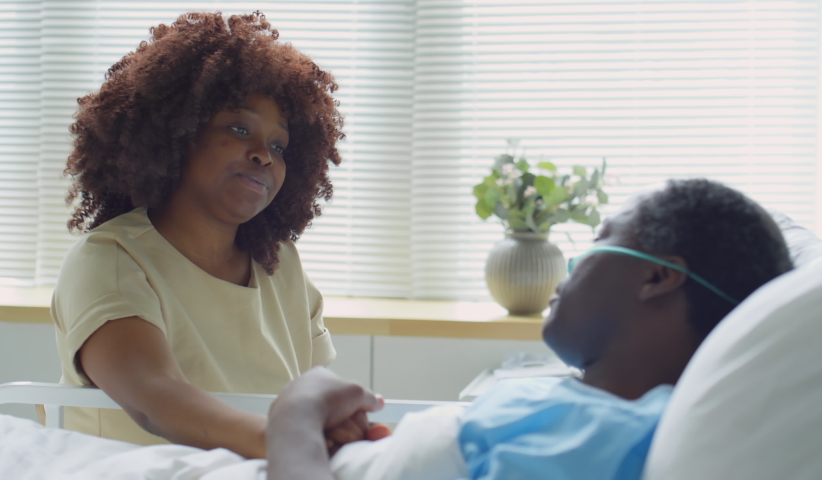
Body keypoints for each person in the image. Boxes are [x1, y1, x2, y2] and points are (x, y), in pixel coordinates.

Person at [264, 178, 795, 480]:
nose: (569, 265)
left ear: (656, 276)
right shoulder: (586, 418)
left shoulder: (601, 437)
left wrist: (297, 411)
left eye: (600, 239)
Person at [51, 11, 364, 458]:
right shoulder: (111, 257)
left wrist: (342, 432)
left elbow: (314, 392)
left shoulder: (282, 267)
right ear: (176, 134)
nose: (263, 156)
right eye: (239, 129)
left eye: (279, 146)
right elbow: (154, 396)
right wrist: (285, 443)